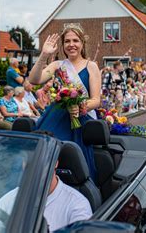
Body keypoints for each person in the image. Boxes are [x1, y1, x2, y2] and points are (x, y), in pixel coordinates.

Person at [28, 26, 101, 180]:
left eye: (75, 40)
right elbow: (34, 80)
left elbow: (96, 100)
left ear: (82, 43)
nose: (71, 44)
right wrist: (44, 55)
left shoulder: (91, 66)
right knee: (45, 157)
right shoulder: (57, 65)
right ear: (62, 45)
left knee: (72, 163)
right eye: (67, 41)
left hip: (79, 119)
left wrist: (80, 107)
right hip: (56, 117)